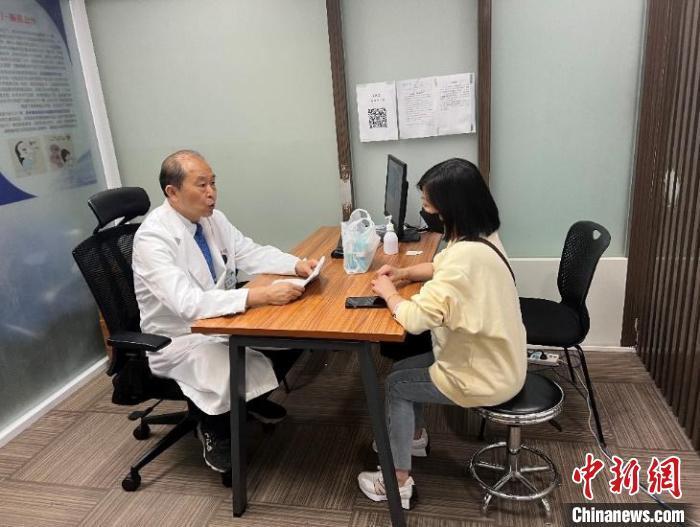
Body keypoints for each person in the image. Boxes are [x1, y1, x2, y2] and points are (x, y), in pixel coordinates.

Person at [132, 150, 317, 474]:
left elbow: (248, 252)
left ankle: (247, 401)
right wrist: (258, 296)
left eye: (213, 183)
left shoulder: (212, 219)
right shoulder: (153, 239)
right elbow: (188, 304)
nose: (211, 192)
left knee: (295, 335)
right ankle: (213, 426)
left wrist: (295, 264)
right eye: (201, 184)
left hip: (218, 320)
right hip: (178, 339)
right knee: (228, 363)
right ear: (172, 192)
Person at [357, 158, 527, 509]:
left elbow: (415, 319)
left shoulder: (464, 259)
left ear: (451, 207)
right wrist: (404, 274)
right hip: (501, 359)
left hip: (485, 376)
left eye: (428, 205)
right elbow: (441, 265)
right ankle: (413, 437)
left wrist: (389, 293)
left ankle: (397, 482)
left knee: (396, 385)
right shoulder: (481, 238)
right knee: (403, 370)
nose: (426, 212)